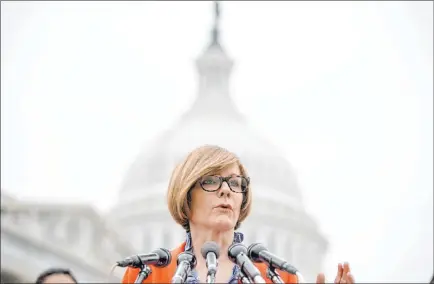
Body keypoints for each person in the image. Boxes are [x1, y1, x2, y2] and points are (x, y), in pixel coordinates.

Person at [122, 145, 356, 283]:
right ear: (185, 194)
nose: (226, 190)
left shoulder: (279, 278)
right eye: (211, 181)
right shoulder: (147, 274)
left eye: (235, 183)